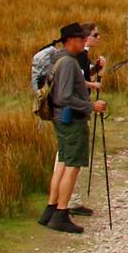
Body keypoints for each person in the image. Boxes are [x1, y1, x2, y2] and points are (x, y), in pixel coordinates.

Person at [40, 24, 106, 233]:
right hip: (71, 120)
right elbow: (65, 96)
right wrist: (91, 106)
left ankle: (51, 209)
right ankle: (61, 212)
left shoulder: (58, 59)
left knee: (63, 162)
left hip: (61, 118)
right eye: (80, 38)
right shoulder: (69, 62)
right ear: (70, 40)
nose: (83, 41)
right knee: (73, 165)